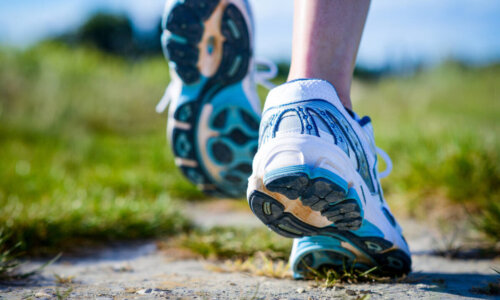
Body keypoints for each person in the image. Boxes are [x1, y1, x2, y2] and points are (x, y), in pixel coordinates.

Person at [157, 0, 411, 278]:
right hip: (316, 122)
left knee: (308, 148)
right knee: (320, 97)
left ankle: (297, 129)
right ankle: (322, 116)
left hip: (281, 119)